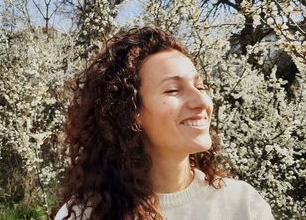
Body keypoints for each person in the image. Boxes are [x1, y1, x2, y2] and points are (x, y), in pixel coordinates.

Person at [54, 26, 274, 220]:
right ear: (130, 111)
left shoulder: (243, 206)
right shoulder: (86, 215)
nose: (201, 101)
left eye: (200, 86)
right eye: (173, 90)